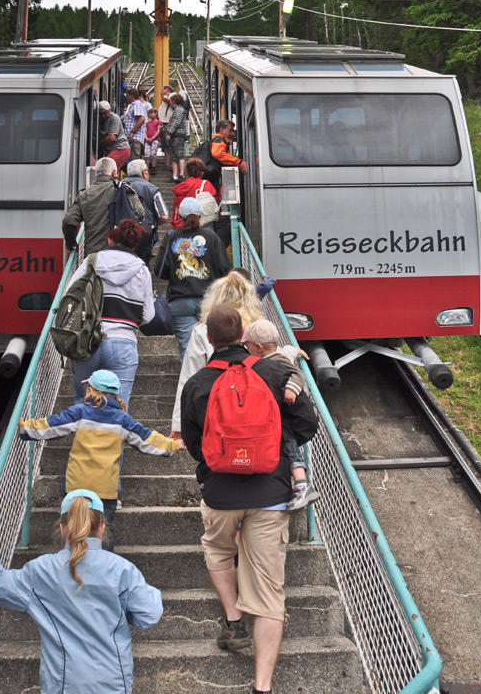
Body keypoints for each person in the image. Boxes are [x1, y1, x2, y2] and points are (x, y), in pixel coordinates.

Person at [180, 305, 319, 694]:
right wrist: (274, 442)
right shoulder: (274, 371)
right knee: (270, 592)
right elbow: (308, 423)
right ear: (243, 334)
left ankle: (233, 619)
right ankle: (262, 686)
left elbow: (195, 446)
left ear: (209, 339)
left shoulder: (198, 383)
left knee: (219, 551)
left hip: (221, 493)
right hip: (270, 494)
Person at [0, 488, 162, 694]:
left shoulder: (40, 570)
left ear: (63, 528)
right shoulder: (122, 569)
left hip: (63, 683)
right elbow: (149, 615)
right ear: (102, 527)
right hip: (113, 680)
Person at [18, 369, 184, 550]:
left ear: (90, 389)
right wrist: (173, 445)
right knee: (104, 535)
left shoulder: (79, 413)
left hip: (77, 487)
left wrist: (23, 427)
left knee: (74, 533)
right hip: (106, 490)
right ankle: (104, 572)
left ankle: (71, 571)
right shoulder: (123, 420)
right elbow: (147, 438)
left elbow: (50, 426)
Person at [66, 218, 154, 407]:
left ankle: (82, 435)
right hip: (123, 342)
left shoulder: (91, 261)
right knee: (117, 407)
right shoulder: (142, 269)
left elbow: (68, 296)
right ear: (134, 245)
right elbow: (148, 316)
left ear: (109, 240)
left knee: (82, 402)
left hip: (87, 341)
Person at [169, 270, 265, 436]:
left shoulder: (203, 331)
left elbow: (189, 378)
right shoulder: (261, 328)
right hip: (256, 409)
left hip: (217, 412)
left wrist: (179, 424)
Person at [241, 319, 319, 512]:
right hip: (284, 415)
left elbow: (297, 374)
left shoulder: (275, 361)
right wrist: (297, 350)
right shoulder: (279, 354)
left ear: (258, 347)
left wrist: (291, 389)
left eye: (246, 345)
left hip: (287, 416)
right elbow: (289, 350)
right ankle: (300, 484)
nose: (244, 348)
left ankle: (302, 485)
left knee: (289, 442)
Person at [154, 197, 231, 364]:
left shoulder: (171, 237)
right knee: (213, 347)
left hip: (180, 301)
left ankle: (189, 386)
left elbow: (160, 269)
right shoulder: (212, 237)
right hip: (209, 300)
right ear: (201, 215)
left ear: (179, 216)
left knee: (187, 350)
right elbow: (225, 268)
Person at [62, 157, 144, 257]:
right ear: (114, 173)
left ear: (96, 174)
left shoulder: (84, 195)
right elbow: (140, 213)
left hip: (93, 256)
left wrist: (71, 243)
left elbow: (69, 221)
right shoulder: (123, 190)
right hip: (119, 255)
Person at [124, 159, 169, 264]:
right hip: (144, 235)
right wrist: (153, 223)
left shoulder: (118, 185)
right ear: (144, 173)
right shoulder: (151, 189)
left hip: (122, 234)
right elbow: (164, 216)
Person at [171, 157, 220, 227]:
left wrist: (175, 226)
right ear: (202, 173)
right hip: (200, 224)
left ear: (187, 173)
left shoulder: (180, 188)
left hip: (181, 225)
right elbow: (214, 203)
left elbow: (175, 210)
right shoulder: (206, 185)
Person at [97, 100, 131, 172]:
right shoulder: (97, 118)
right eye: (101, 113)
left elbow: (111, 138)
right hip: (110, 150)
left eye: (105, 113)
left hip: (119, 149)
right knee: (111, 171)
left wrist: (98, 145)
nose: (103, 116)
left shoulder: (114, 118)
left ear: (110, 110)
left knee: (106, 170)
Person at [166, 93, 189, 182]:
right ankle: (175, 175)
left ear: (173, 101)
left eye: (171, 100)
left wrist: (170, 132)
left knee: (179, 154)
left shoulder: (179, 110)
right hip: (177, 134)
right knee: (174, 155)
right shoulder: (178, 110)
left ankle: (181, 174)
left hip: (178, 134)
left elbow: (176, 122)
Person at [123, 87, 147, 160]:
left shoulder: (137, 105)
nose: (126, 98)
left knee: (134, 162)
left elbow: (142, 119)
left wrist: (132, 132)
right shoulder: (133, 106)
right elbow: (124, 117)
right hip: (133, 140)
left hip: (134, 139)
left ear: (132, 96)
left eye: (127, 96)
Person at [157, 84, 174, 166]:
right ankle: (167, 164)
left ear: (166, 89)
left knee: (168, 144)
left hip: (167, 123)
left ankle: (170, 163)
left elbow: (172, 102)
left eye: (162, 90)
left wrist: (164, 96)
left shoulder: (173, 95)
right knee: (165, 146)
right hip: (163, 123)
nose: (160, 93)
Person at [143, 107, 162, 174]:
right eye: (149, 113)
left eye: (151, 113)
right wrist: (146, 138)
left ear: (156, 113)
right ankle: (146, 168)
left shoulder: (158, 122)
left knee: (153, 154)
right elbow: (145, 132)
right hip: (148, 140)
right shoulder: (147, 123)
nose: (150, 115)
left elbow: (158, 130)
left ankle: (153, 167)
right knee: (147, 154)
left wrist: (153, 138)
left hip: (155, 139)